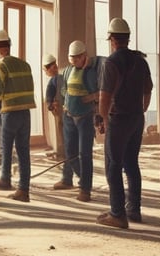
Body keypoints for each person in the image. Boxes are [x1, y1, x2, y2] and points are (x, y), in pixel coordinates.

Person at [96, 17, 153, 229]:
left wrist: (104, 121)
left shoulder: (111, 63)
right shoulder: (141, 61)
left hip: (118, 119)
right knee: (131, 163)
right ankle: (134, 209)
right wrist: (141, 110)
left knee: (113, 166)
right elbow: (148, 92)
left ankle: (117, 214)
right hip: (137, 118)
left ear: (111, 39)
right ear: (128, 38)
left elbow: (104, 97)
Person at [0, 29, 36, 202]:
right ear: (8, 46)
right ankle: (23, 189)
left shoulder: (0, 65)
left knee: (6, 148)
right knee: (23, 151)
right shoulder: (25, 64)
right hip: (26, 113)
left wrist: (0, 100)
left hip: (10, 112)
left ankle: (5, 179)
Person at [54, 40, 103, 202]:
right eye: (71, 57)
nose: (74, 60)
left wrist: (91, 98)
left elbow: (100, 94)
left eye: (77, 57)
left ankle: (85, 189)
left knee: (85, 154)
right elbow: (64, 90)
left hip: (85, 117)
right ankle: (83, 178)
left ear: (84, 56)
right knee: (70, 153)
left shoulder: (90, 73)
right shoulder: (67, 71)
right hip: (69, 116)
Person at [42, 54, 65, 159]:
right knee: (65, 131)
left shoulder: (54, 80)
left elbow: (49, 98)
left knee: (61, 131)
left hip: (59, 109)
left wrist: (51, 106)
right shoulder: (62, 77)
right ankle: (66, 152)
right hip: (65, 108)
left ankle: (63, 153)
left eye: (46, 70)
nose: (46, 73)